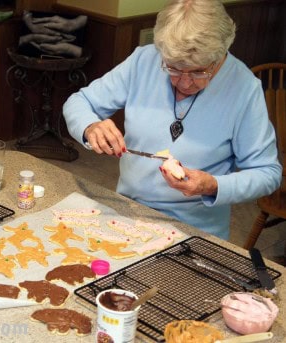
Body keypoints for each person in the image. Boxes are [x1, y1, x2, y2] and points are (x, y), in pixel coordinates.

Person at [63, 0, 281, 240]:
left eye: (199, 72)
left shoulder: (244, 87)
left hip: (196, 231)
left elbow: (267, 173)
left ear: (221, 56)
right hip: (128, 213)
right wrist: (90, 126)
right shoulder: (144, 61)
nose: (185, 83)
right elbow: (79, 102)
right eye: (174, 69)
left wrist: (213, 186)